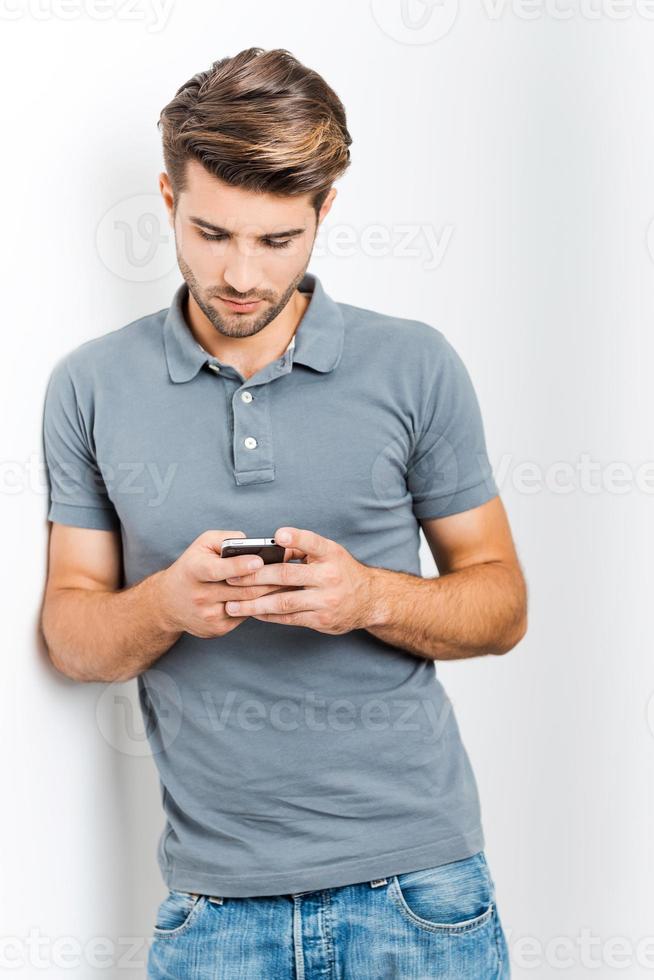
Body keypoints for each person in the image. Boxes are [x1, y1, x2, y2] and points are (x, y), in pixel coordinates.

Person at [40, 46, 527, 979]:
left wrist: (370, 598)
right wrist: (165, 607)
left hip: (420, 894)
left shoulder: (416, 365)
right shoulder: (90, 387)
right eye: (212, 232)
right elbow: (71, 631)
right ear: (168, 197)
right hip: (213, 909)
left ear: (324, 214)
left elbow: (501, 606)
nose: (241, 275)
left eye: (277, 241)